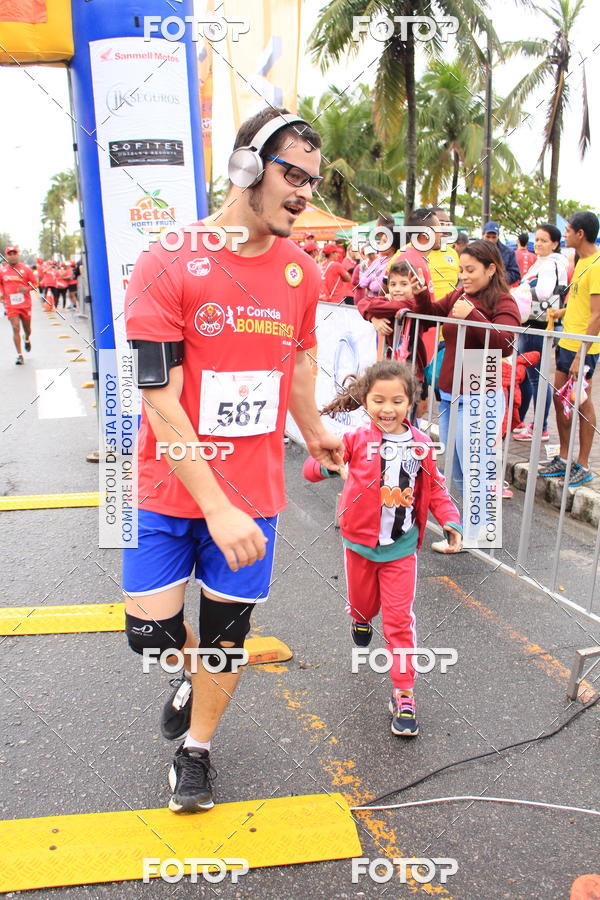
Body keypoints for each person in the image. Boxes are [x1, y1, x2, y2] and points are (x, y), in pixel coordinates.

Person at [123, 107, 344, 813]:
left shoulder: (302, 273)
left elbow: (298, 361)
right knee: (150, 634)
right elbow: (160, 400)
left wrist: (314, 428)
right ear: (247, 167)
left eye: (312, 181)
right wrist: (214, 507)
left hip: (253, 490)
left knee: (227, 635)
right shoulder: (166, 259)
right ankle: (186, 676)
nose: (304, 194)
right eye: (293, 175)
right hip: (166, 488)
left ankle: (196, 751)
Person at [303, 360, 462, 735]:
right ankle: (360, 617)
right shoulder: (356, 439)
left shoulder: (422, 446)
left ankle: (403, 693)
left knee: (399, 620)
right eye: (378, 400)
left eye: (397, 401)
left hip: (401, 548)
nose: (387, 409)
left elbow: (436, 488)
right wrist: (328, 466)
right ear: (365, 400)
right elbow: (311, 468)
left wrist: (450, 520)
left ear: (411, 402)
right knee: (363, 604)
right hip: (359, 545)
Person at [410, 239, 520, 551]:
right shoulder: (460, 294)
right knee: (458, 469)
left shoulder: (503, 301)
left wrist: (472, 316)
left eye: (470, 270)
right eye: (461, 269)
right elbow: (430, 314)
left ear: (491, 269)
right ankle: (472, 529)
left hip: (480, 391)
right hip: (451, 394)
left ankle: (474, 534)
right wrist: (421, 293)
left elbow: (506, 343)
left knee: (475, 469)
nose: (464, 276)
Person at [538, 211, 600, 486]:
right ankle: (563, 458)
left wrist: (581, 354)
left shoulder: (597, 266)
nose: (565, 235)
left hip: (583, 348)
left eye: (568, 230)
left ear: (581, 234)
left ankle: (583, 464)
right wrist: (561, 312)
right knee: (559, 398)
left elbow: (597, 315)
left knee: (581, 403)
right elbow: (580, 303)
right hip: (567, 343)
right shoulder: (580, 261)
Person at [511, 224, 568, 442]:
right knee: (527, 376)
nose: (539, 244)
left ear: (555, 243)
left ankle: (540, 427)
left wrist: (520, 291)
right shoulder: (544, 262)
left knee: (536, 379)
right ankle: (523, 421)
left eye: (544, 240)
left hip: (538, 325)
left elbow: (544, 292)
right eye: (537, 239)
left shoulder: (550, 264)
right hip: (532, 324)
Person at [0, 246, 37, 364]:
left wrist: (27, 289)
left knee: (27, 329)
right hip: (11, 305)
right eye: (9, 254)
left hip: (25, 305)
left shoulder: (26, 269)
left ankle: (27, 338)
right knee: (15, 328)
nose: (12, 256)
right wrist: (1, 293)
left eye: (14, 253)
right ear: (6, 256)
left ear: (17, 255)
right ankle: (20, 356)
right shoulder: (2, 271)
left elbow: (35, 284)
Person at [428, 207, 460, 300]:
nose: (446, 229)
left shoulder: (453, 253)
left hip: (449, 308)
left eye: (448, 224)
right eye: (441, 224)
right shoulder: (410, 252)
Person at [483, 221, 521, 285]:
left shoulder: (508, 252)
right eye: (488, 237)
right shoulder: (475, 251)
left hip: (500, 288)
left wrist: (498, 279)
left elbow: (515, 273)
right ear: (483, 235)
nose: (490, 240)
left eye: (494, 237)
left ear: (498, 236)